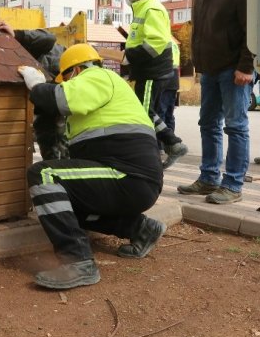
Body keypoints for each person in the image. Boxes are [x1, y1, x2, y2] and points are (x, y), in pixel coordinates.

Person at [17, 43, 165, 290]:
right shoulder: (104, 93)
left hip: (127, 176)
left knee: (44, 175)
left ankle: (77, 261)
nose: (65, 84)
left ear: (76, 71)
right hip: (130, 180)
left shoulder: (98, 76)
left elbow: (61, 98)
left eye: (65, 79)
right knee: (66, 205)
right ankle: (140, 228)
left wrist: (37, 86)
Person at [177, 0, 254, 204]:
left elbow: (253, 29)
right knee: (208, 123)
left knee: (235, 126)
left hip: (233, 68)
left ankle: (233, 184)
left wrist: (246, 66)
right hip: (209, 67)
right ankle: (209, 178)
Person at [122, 0, 188, 169]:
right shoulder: (144, 8)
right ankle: (172, 144)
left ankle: (170, 145)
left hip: (152, 71)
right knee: (147, 111)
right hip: (147, 71)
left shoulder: (152, 8)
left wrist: (132, 55)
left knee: (143, 112)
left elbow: (156, 42)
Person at [0, 20, 69, 160]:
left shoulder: (32, 45)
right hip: (44, 106)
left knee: (66, 147)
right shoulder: (4, 63)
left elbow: (49, 37)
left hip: (61, 96)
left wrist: (17, 35)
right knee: (49, 151)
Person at [158, 39, 181, 139]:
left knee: (160, 112)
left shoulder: (162, 41)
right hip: (174, 80)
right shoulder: (174, 43)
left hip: (164, 79)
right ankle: (171, 141)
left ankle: (162, 143)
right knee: (169, 113)